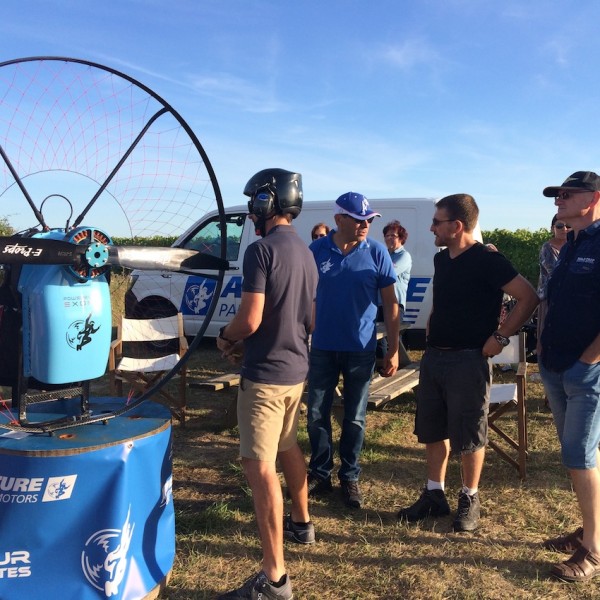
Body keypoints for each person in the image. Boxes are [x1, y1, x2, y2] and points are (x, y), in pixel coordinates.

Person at [397, 193, 538, 532]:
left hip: (468, 359)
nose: (431, 227)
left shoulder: (489, 260)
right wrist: (431, 324)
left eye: (436, 222)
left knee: (470, 433)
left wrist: (501, 337)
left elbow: (529, 297)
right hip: (435, 358)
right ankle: (434, 495)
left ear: (456, 225)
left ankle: (469, 498)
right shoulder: (442, 259)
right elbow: (444, 300)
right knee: (432, 428)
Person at [216, 168, 318, 600]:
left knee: (259, 469)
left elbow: (251, 318)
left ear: (266, 202)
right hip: (297, 372)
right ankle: (303, 522)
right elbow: (309, 318)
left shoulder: (260, 251)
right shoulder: (307, 251)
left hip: (265, 380)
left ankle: (274, 580)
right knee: (288, 446)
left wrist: (226, 337)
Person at [306, 192, 400, 509]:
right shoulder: (316, 250)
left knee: (355, 417)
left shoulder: (376, 252)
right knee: (317, 413)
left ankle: (349, 476)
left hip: (361, 348)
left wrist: (394, 348)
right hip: (322, 347)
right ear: (339, 219)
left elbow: (390, 303)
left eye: (369, 220)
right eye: (359, 220)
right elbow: (303, 296)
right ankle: (320, 474)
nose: (365, 225)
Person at [538, 171, 600, 583]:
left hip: (585, 373)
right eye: (557, 194)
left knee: (579, 457)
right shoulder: (572, 244)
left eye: (567, 194)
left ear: (594, 198)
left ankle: (592, 553)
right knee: (582, 457)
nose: (559, 199)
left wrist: (589, 360)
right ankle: (589, 530)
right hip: (556, 367)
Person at [536, 214, 570, 346]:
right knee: (548, 338)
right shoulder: (547, 248)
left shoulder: (574, 246)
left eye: (568, 226)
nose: (564, 229)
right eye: (560, 226)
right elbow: (554, 272)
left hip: (569, 299)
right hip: (550, 299)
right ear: (552, 228)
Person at [383, 220, 412, 318]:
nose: (389, 238)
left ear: (401, 238)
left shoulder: (404, 256)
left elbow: (388, 273)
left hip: (395, 304)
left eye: (393, 236)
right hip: (379, 304)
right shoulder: (383, 255)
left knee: (392, 333)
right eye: (387, 236)